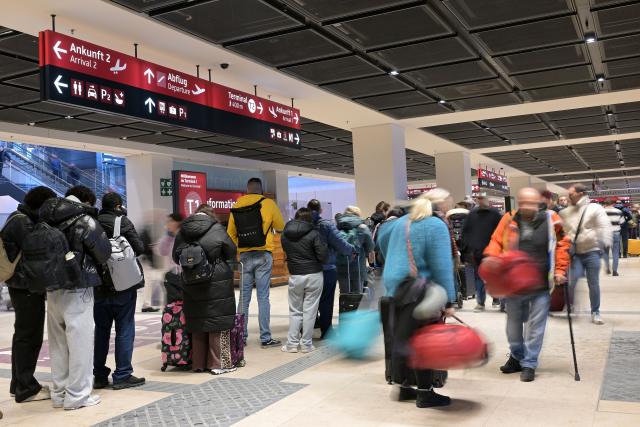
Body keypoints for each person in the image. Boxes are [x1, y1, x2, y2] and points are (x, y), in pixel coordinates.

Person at [376, 191, 456, 408]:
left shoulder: (398, 223)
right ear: (441, 204)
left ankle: (403, 388)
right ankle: (425, 393)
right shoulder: (434, 224)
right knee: (424, 341)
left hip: (396, 288)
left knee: (402, 338)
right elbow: (442, 266)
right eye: (449, 203)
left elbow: (381, 243)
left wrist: (395, 262)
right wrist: (448, 300)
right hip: (420, 290)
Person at [483, 188, 570, 382]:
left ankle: (529, 363)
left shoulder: (551, 218)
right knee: (513, 325)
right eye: (522, 202)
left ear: (539, 202)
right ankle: (516, 355)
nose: (526, 206)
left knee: (535, 326)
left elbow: (563, 242)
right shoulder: (509, 218)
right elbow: (496, 241)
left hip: (540, 283)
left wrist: (560, 270)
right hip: (513, 283)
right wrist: (492, 257)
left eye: (530, 202)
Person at [39, 185, 111, 410]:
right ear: (86, 200)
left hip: (51, 289)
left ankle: (59, 394)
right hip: (77, 287)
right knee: (80, 343)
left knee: (58, 342)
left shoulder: (45, 218)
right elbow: (104, 252)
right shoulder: (84, 219)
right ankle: (78, 395)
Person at [1, 186, 56, 403]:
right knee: (29, 336)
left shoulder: (19, 218)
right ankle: (26, 387)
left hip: (22, 285)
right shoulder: (23, 222)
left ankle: (19, 384)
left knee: (24, 334)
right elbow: (39, 250)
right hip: (25, 286)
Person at [173, 205, 238, 374]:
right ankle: (219, 364)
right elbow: (231, 251)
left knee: (198, 322)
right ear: (210, 215)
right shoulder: (217, 228)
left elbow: (175, 256)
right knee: (218, 321)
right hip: (216, 280)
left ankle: (198, 364)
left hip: (190, 279)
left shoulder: (182, 231)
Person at [93, 193, 146, 390]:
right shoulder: (121, 221)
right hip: (123, 286)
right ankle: (122, 374)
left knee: (101, 330)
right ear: (118, 206)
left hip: (99, 286)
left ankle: (99, 375)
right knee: (124, 328)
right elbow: (139, 247)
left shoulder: (92, 221)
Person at [227, 178, 285, 348]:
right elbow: (280, 226)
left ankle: (241, 336)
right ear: (261, 189)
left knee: (244, 297)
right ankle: (266, 337)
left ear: (247, 189)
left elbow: (230, 233)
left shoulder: (238, 204)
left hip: (244, 255)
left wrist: (240, 246)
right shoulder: (268, 203)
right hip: (263, 254)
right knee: (263, 296)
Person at [560, 183, 612, 325]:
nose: (568, 196)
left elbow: (604, 226)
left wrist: (606, 244)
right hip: (575, 253)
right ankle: (571, 306)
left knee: (593, 283)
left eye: (571, 194)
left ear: (581, 193)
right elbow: (562, 231)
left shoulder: (594, 208)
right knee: (572, 281)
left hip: (592, 252)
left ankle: (595, 312)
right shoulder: (565, 212)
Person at [280, 207, 328, 353]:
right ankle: (306, 344)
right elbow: (323, 256)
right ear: (310, 219)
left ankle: (292, 344)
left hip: (295, 275)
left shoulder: (285, 234)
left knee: (295, 311)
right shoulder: (315, 234)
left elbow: (286, 252)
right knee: (310, 311)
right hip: (314, 275)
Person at [307, 200, 355, 339]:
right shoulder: (327, 225)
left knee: (309, 300)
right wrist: (352, 250)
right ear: (321, 210)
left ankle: (307, 330)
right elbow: (341, 244)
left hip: (307, 268)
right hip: (326, 268)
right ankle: (326, 331)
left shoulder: (303, 225)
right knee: (326, 300)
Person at [461, 193, 502, 311]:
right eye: (478, 198)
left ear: (487, 199)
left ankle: (496, 297)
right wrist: (467, 247)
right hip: (477, 252)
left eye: (482, 198)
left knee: (492, 276)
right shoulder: (472, 214)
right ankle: (480, 302)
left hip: (492, 250)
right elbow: (465, 231)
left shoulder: (494, 214)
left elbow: (500, 230)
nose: (480, 200)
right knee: (478, 277)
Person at [335, 206, 374, 295]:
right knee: (357, 295)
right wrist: (371, 263)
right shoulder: (362, 227)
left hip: (341, 266)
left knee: (344, 294)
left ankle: (344, 308)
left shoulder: (337, 227)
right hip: (358, 267)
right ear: (358, 214)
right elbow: (370, 248)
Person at [159, 213, 183, 304]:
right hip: (173, 275)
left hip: (183, 275)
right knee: (172, 305)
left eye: (170, 221)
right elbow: (162, 251)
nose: (167, 224)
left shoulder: (184, 236)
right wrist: (167, 236)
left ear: (177, 222)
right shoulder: (170, 238)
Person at [603, 199, 624, 276]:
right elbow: (622, 222)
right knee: (615, 252)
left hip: (605, 233)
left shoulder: (601, 212)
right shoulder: (618, 211)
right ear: (613, 204)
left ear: (605, 203)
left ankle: (607, 269)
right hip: (615, 233)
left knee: (605, 252)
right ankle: (615, 271)